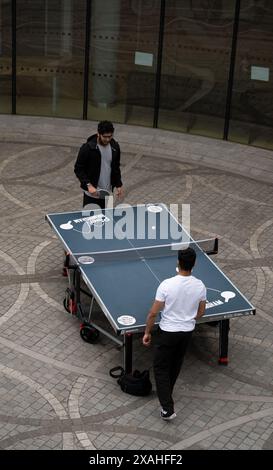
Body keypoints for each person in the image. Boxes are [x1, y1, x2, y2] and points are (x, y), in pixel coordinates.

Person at [142, 247, 206, 421]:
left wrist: (147, 332)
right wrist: (187, 317)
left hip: (168, 332)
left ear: (178, 262)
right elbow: (201, 312)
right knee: (175, 365)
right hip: (186, 332)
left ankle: (167, 409)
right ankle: (166, 394)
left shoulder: (167, 285)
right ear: (194, 264)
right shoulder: (200, 286)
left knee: (160, 367)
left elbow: (153, 313)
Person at [74, 120, 124, 209]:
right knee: (90, 221)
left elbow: (116, 167)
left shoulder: (115, 147)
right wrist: (88, 185)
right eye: (105, 137)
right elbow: (78, 169)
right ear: (98, 134)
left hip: (108, 194)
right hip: (91, 194)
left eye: (110, 136)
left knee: (108, 220)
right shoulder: (87, 148)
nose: (108, 139)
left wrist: (118, 185)